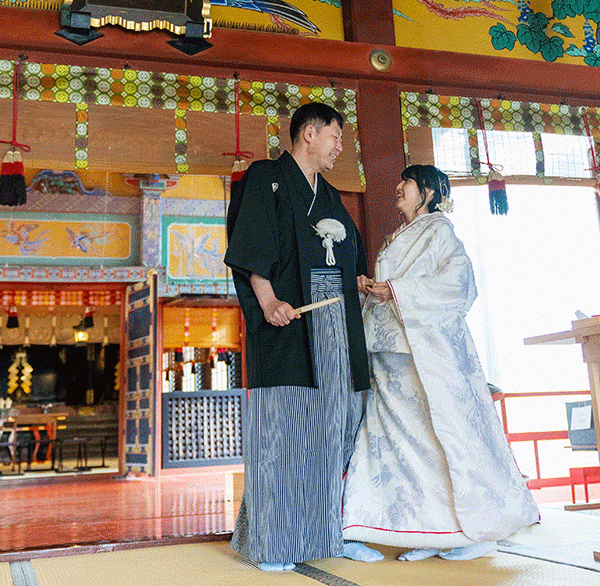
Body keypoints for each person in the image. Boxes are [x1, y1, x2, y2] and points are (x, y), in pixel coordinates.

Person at [342, 164, 539, 562]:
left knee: (434, 441)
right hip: (389, 353)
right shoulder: (397, 237)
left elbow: (460, 284)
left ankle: (469, 533)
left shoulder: (439, 231)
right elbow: (392, 289)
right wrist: (370, 288)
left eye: (407, 182)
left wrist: (397, 290)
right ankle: (425, 530)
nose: (398, 187)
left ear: (428, 193)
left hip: (424, 355)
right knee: (397, 444)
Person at [225, 102, 373, 571]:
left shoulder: (328, 195)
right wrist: (268, 301)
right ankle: (275, 543)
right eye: (335, 136)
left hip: (335, 328)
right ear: (309, 133)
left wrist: (358, 280)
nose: (340, 147)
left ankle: (331, 533)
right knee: (286, 430)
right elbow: (253, 243)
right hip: (289, 323)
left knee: (334, 429)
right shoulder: (266, 177)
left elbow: (348, 256)